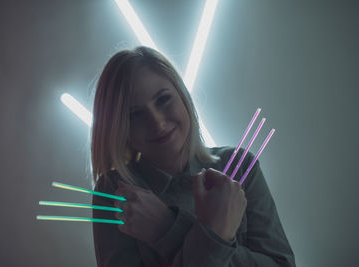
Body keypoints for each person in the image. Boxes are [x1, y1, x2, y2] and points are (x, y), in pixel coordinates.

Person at [91, 46, 295, 266]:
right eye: (135, 114)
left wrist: (167, 228)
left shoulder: (239, 166)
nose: (157, 122)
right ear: (118, 128)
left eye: (163, 100)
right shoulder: (115, 191)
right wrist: (216, 236)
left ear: (182, 95)